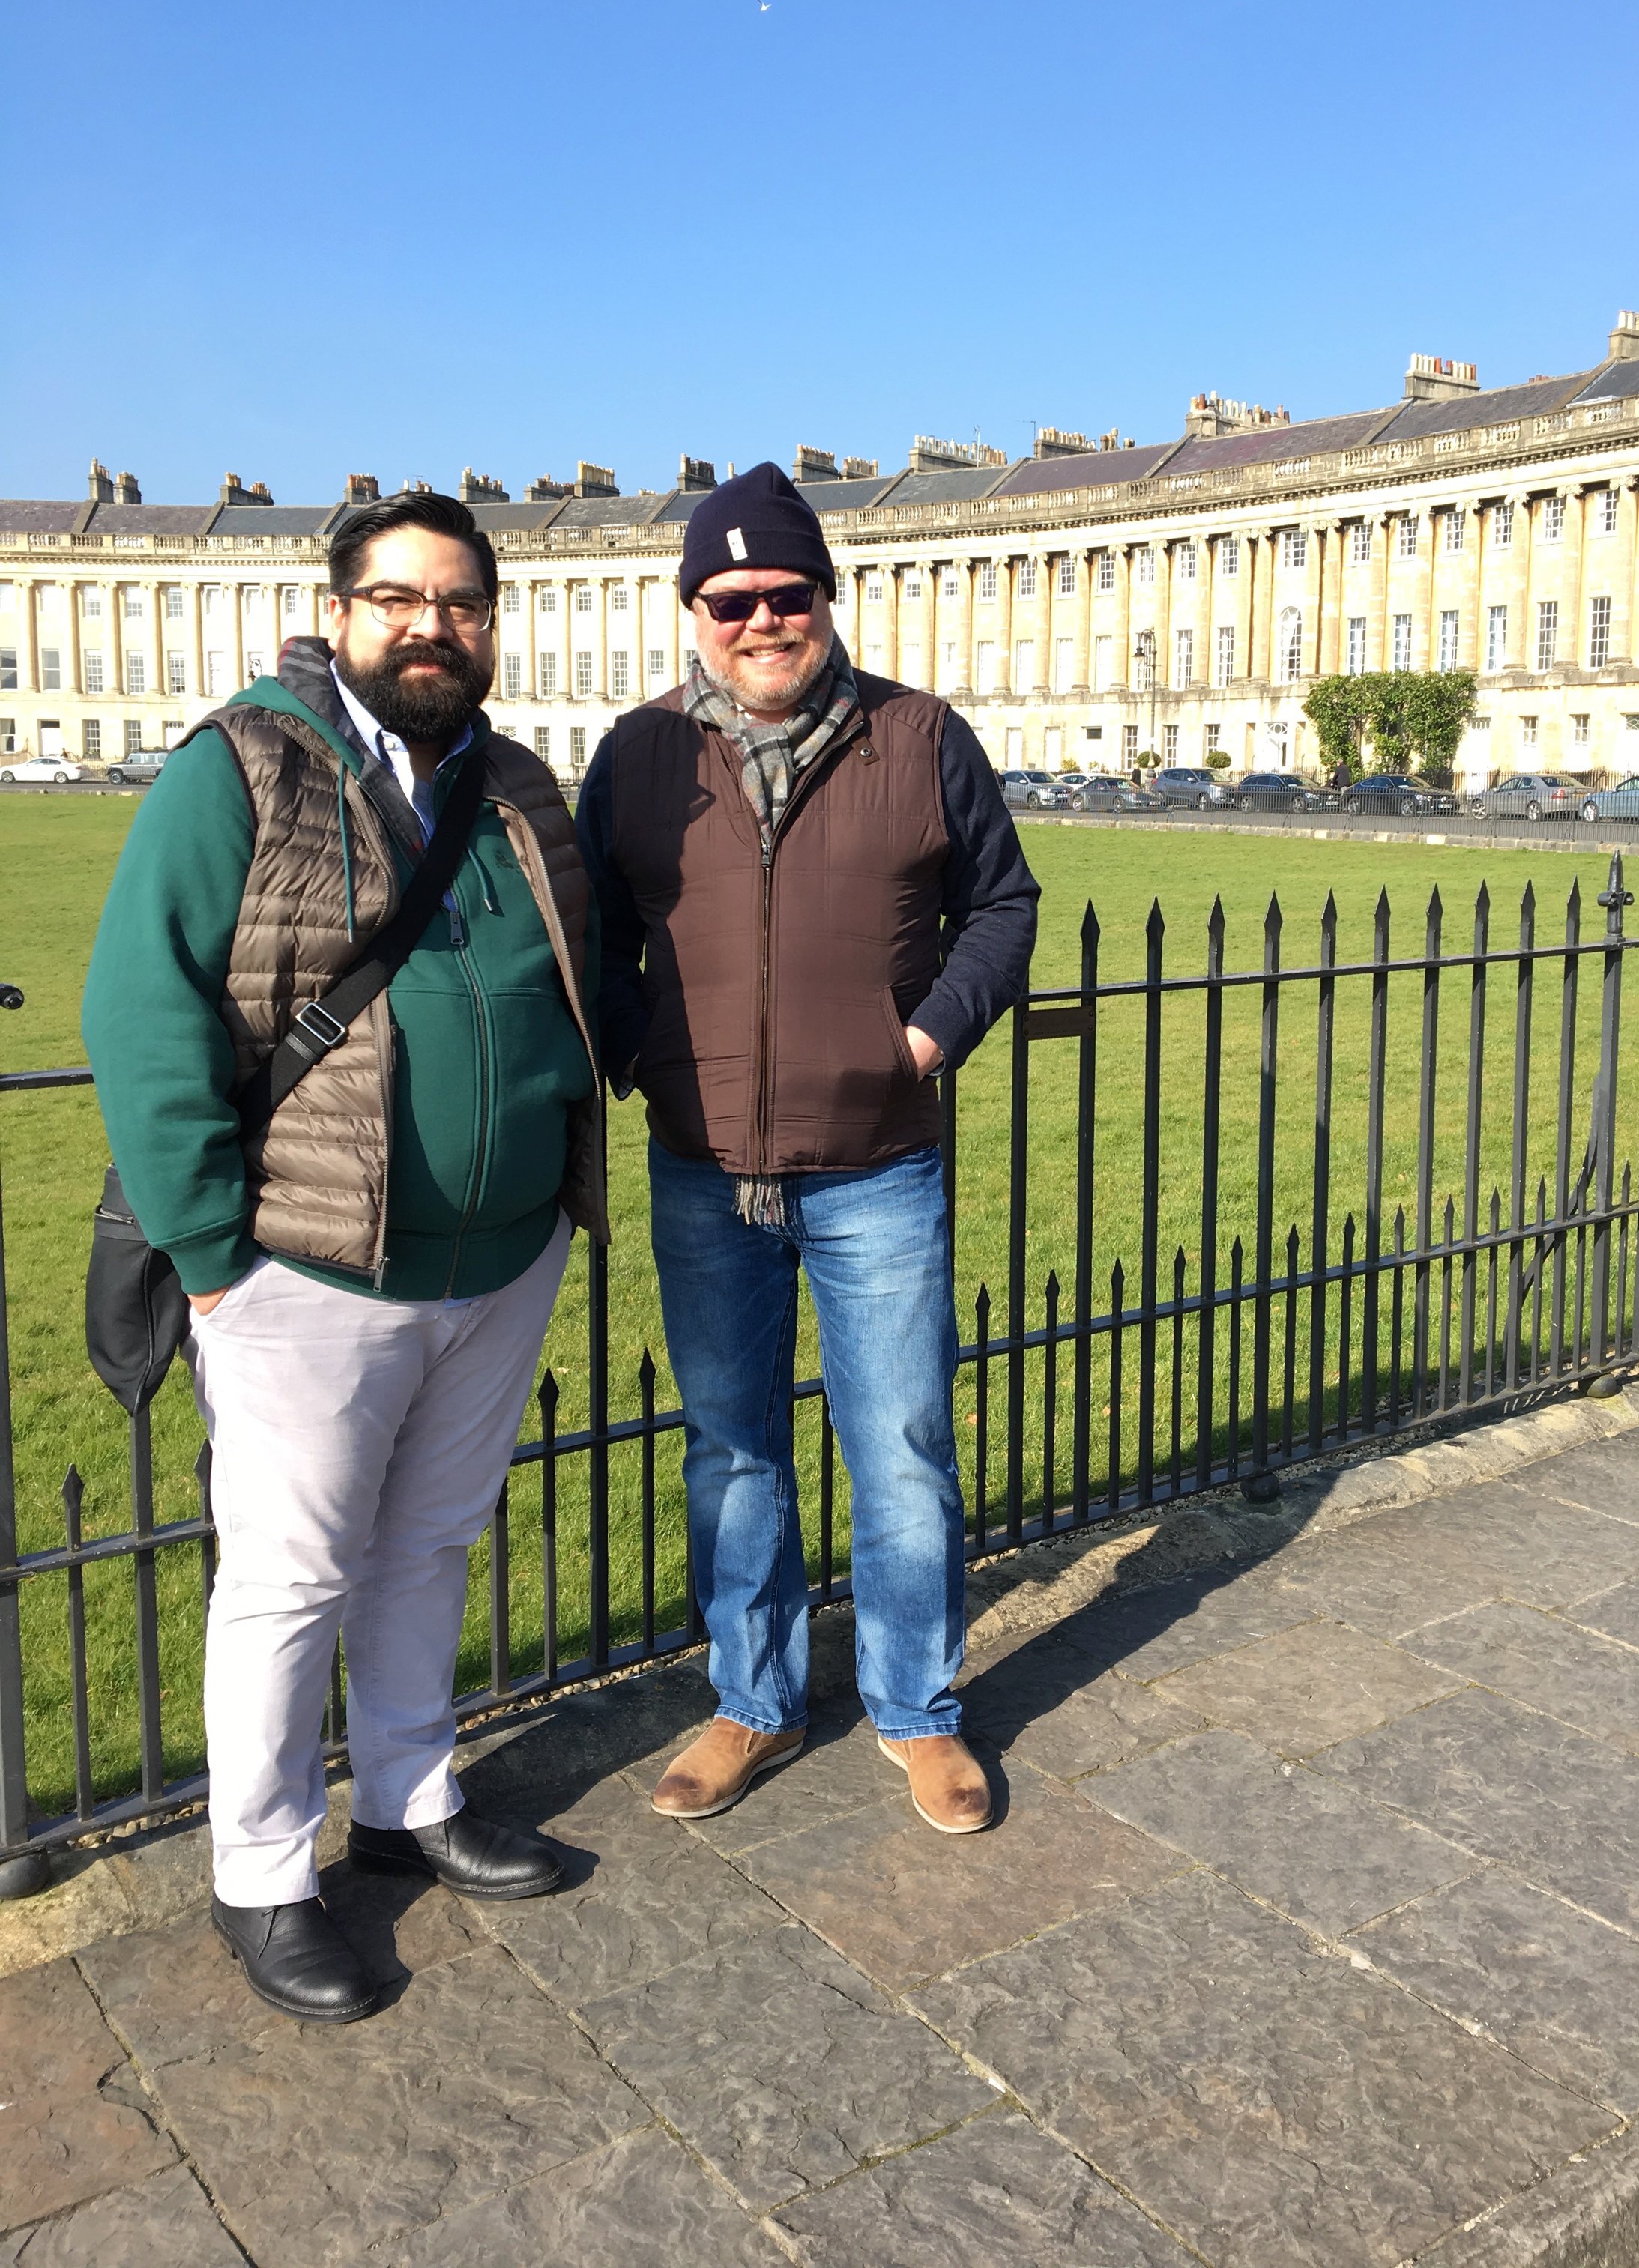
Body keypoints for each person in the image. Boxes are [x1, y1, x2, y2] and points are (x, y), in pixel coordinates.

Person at [82, 489, 605, 2023]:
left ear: (491, 625)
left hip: (497, 1256)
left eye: (456, 602)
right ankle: (259, 1870)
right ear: (339, 610)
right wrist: (208, 1251)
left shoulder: (515, 783)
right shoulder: (239, 765)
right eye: (396, 599)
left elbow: (579, 971)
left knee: (429, 1543)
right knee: (290, 1576)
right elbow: (142, 1005)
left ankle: (405, 1796)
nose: (427, 626)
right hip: (305, 1263)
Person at [576, 462, 1037, 1834]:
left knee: (898, 1440)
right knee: (730, 1448)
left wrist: (925, 1038)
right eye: (733, 600)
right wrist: (638, 1051)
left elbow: (1003, 906)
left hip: (876, 1158)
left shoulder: (921, 736)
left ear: (826, 597)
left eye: (787, 593)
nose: (762, 620)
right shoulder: (638, 754)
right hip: (704, 1162)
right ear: (695, 612)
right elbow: (592, 931)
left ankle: (919, 1710)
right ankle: (754, 1699)